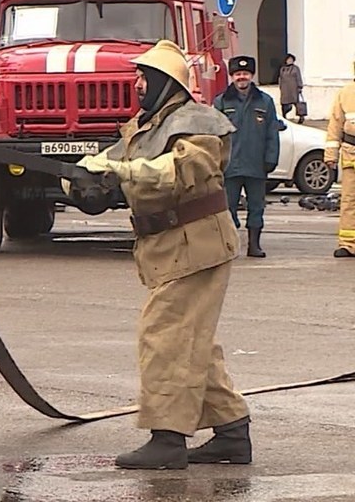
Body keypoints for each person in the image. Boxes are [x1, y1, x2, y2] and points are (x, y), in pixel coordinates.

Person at [64, 40, 251, 469]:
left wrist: (119, 172)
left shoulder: (200, 124)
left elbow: (181, 171)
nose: (137, 84)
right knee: (189, 341)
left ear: (166, 83)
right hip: (170, 246)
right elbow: (107, 162)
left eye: (145, 77)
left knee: (165, 336)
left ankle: (167, 440)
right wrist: (78, 180)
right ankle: (232, 432)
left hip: (196, 244)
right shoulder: (147, 126)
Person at [213, 55, 280, 259]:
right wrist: (215, 161)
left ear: (251, 75)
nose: (242, 77)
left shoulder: (265, 101)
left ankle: (254, 246)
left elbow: (272, 133)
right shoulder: (221, 101)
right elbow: (213, 134)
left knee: (256, 207)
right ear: (232, 76)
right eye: (238, 74)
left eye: (245, 74)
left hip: (256, 165)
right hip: (229, 166)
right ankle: (230, 246)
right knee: (227, 208)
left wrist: (271, 159)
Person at [323, 64, 355, 258]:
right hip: (351, 155)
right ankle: (348, 244)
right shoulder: (345, 94)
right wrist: (330, 156)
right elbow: (335, 126)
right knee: (349, 201)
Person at [278, 54, 306, 124]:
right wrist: (280, 86)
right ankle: (284, 117)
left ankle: (301, 117)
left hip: (294, 89)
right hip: (285, 89)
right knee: (284, 104)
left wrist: (300, 86)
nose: (290, 61)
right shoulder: (282, 69)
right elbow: (280, 78)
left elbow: (298, 77)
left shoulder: (295, 68)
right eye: (288, 59)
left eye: (291, 59)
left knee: (298, 104)